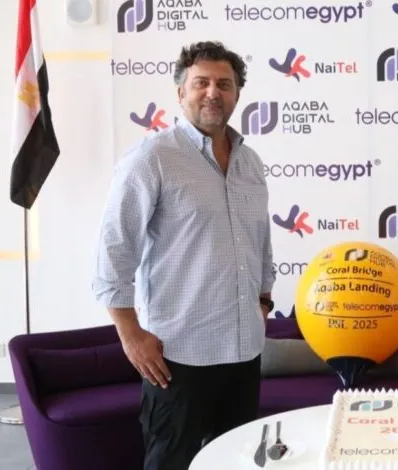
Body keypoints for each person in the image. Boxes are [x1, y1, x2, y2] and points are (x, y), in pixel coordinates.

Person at [92, 41, 276, 470]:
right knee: (171, 462)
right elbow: (113, 250)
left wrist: (263, 301)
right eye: (202, 83)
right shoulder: (152, 158)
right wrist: (130, 333)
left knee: (240, 462)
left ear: (236, 94)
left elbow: (261, 241)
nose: (213, 92)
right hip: (177, 355)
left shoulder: (251, 162)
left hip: (243, 350)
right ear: (181, 93)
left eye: (224, 84)